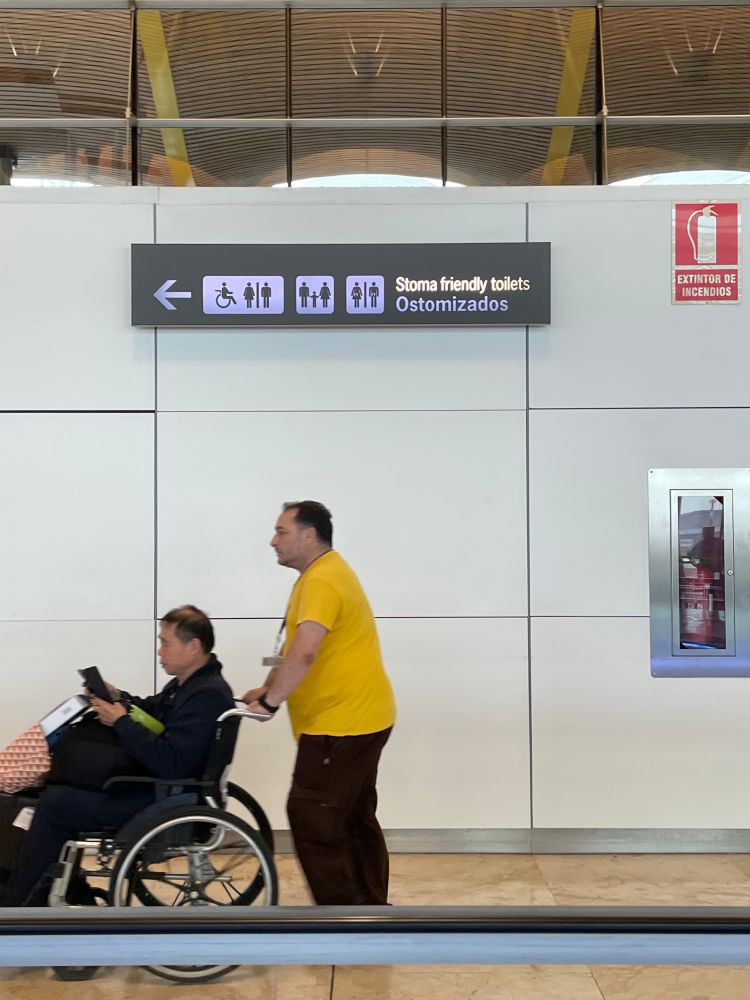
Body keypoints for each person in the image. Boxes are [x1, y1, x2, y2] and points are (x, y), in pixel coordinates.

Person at [3, 605, 233, 906]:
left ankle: (16, 903)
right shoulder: (189, 685)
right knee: (47, 792)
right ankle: (51, 892)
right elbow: (151, 711)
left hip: (166, 795)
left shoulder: (207, 695)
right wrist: (118, 697)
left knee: (55, 804)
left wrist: (120, 722)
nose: (159, 651)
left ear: (193, 646)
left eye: (165, 643)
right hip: (156, 788)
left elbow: (173, 762)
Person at [243, 501, 396, 905]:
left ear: (309, 535)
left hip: (342, 724)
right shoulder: (318, 577)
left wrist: (272, 702)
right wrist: (266, 686)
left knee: (313, 816)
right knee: (353, 817)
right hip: (362, 717)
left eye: (281, 532)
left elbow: (306, 653)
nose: (272, 541)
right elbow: (289, 648)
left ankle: (342, 919)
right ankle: (369, 908)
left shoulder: (322, 582)